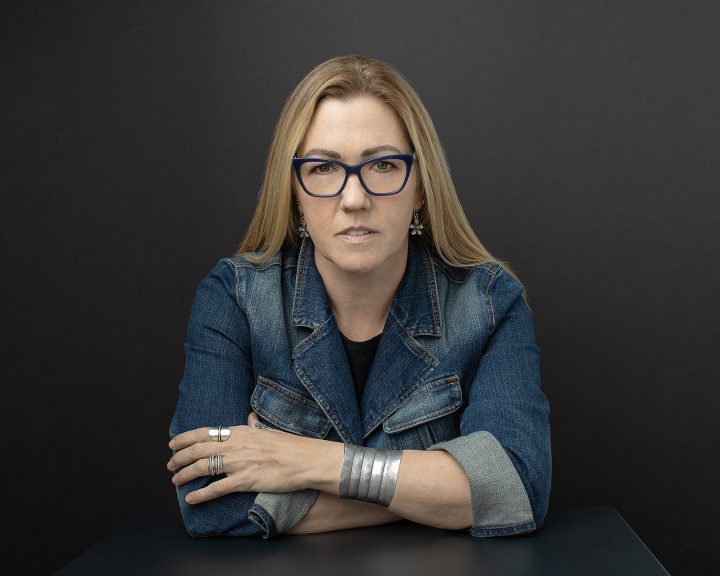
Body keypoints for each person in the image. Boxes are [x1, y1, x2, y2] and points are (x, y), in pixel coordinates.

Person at [167, 54, 551, 539]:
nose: (354, 199)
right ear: (295, 192)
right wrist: (441, 494)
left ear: (421, 188)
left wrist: (308, 461)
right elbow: (209, 503)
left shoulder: (491, 303)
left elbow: (517, 486)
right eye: (325, 167)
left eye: (384, 164)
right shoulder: (235, 298)